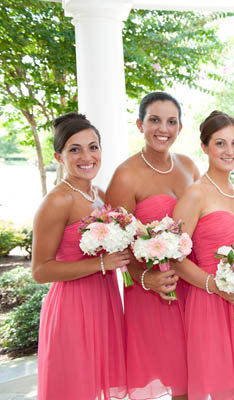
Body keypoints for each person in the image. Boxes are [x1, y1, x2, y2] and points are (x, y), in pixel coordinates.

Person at [105, 92, 200, 399]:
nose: (163, 128)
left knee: (195, 371)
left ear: (180, 127)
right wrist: (148, 279)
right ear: (140, 124)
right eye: (155, 120)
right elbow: (117, 243)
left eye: (171, 121)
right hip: (154, 288)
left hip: (192, 283)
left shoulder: (188, 166)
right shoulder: (125, 175)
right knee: (176, 375)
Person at [33, 112, 128, 400]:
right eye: (75, 149)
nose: (86, 156)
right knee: (74, 388)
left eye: (93, 146)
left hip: (104, 299)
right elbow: (40, 271)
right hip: (73, 307)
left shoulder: (98, 193)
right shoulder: (57, 201)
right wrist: (100, 263)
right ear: (59, 156)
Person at [172, 111, 234, 399]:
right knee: (221, 388)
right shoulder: (195, 195)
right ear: (205, 147)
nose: (230, 151)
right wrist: (217, 286)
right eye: (220, 143)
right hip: (210, 300)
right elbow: (176, 259)